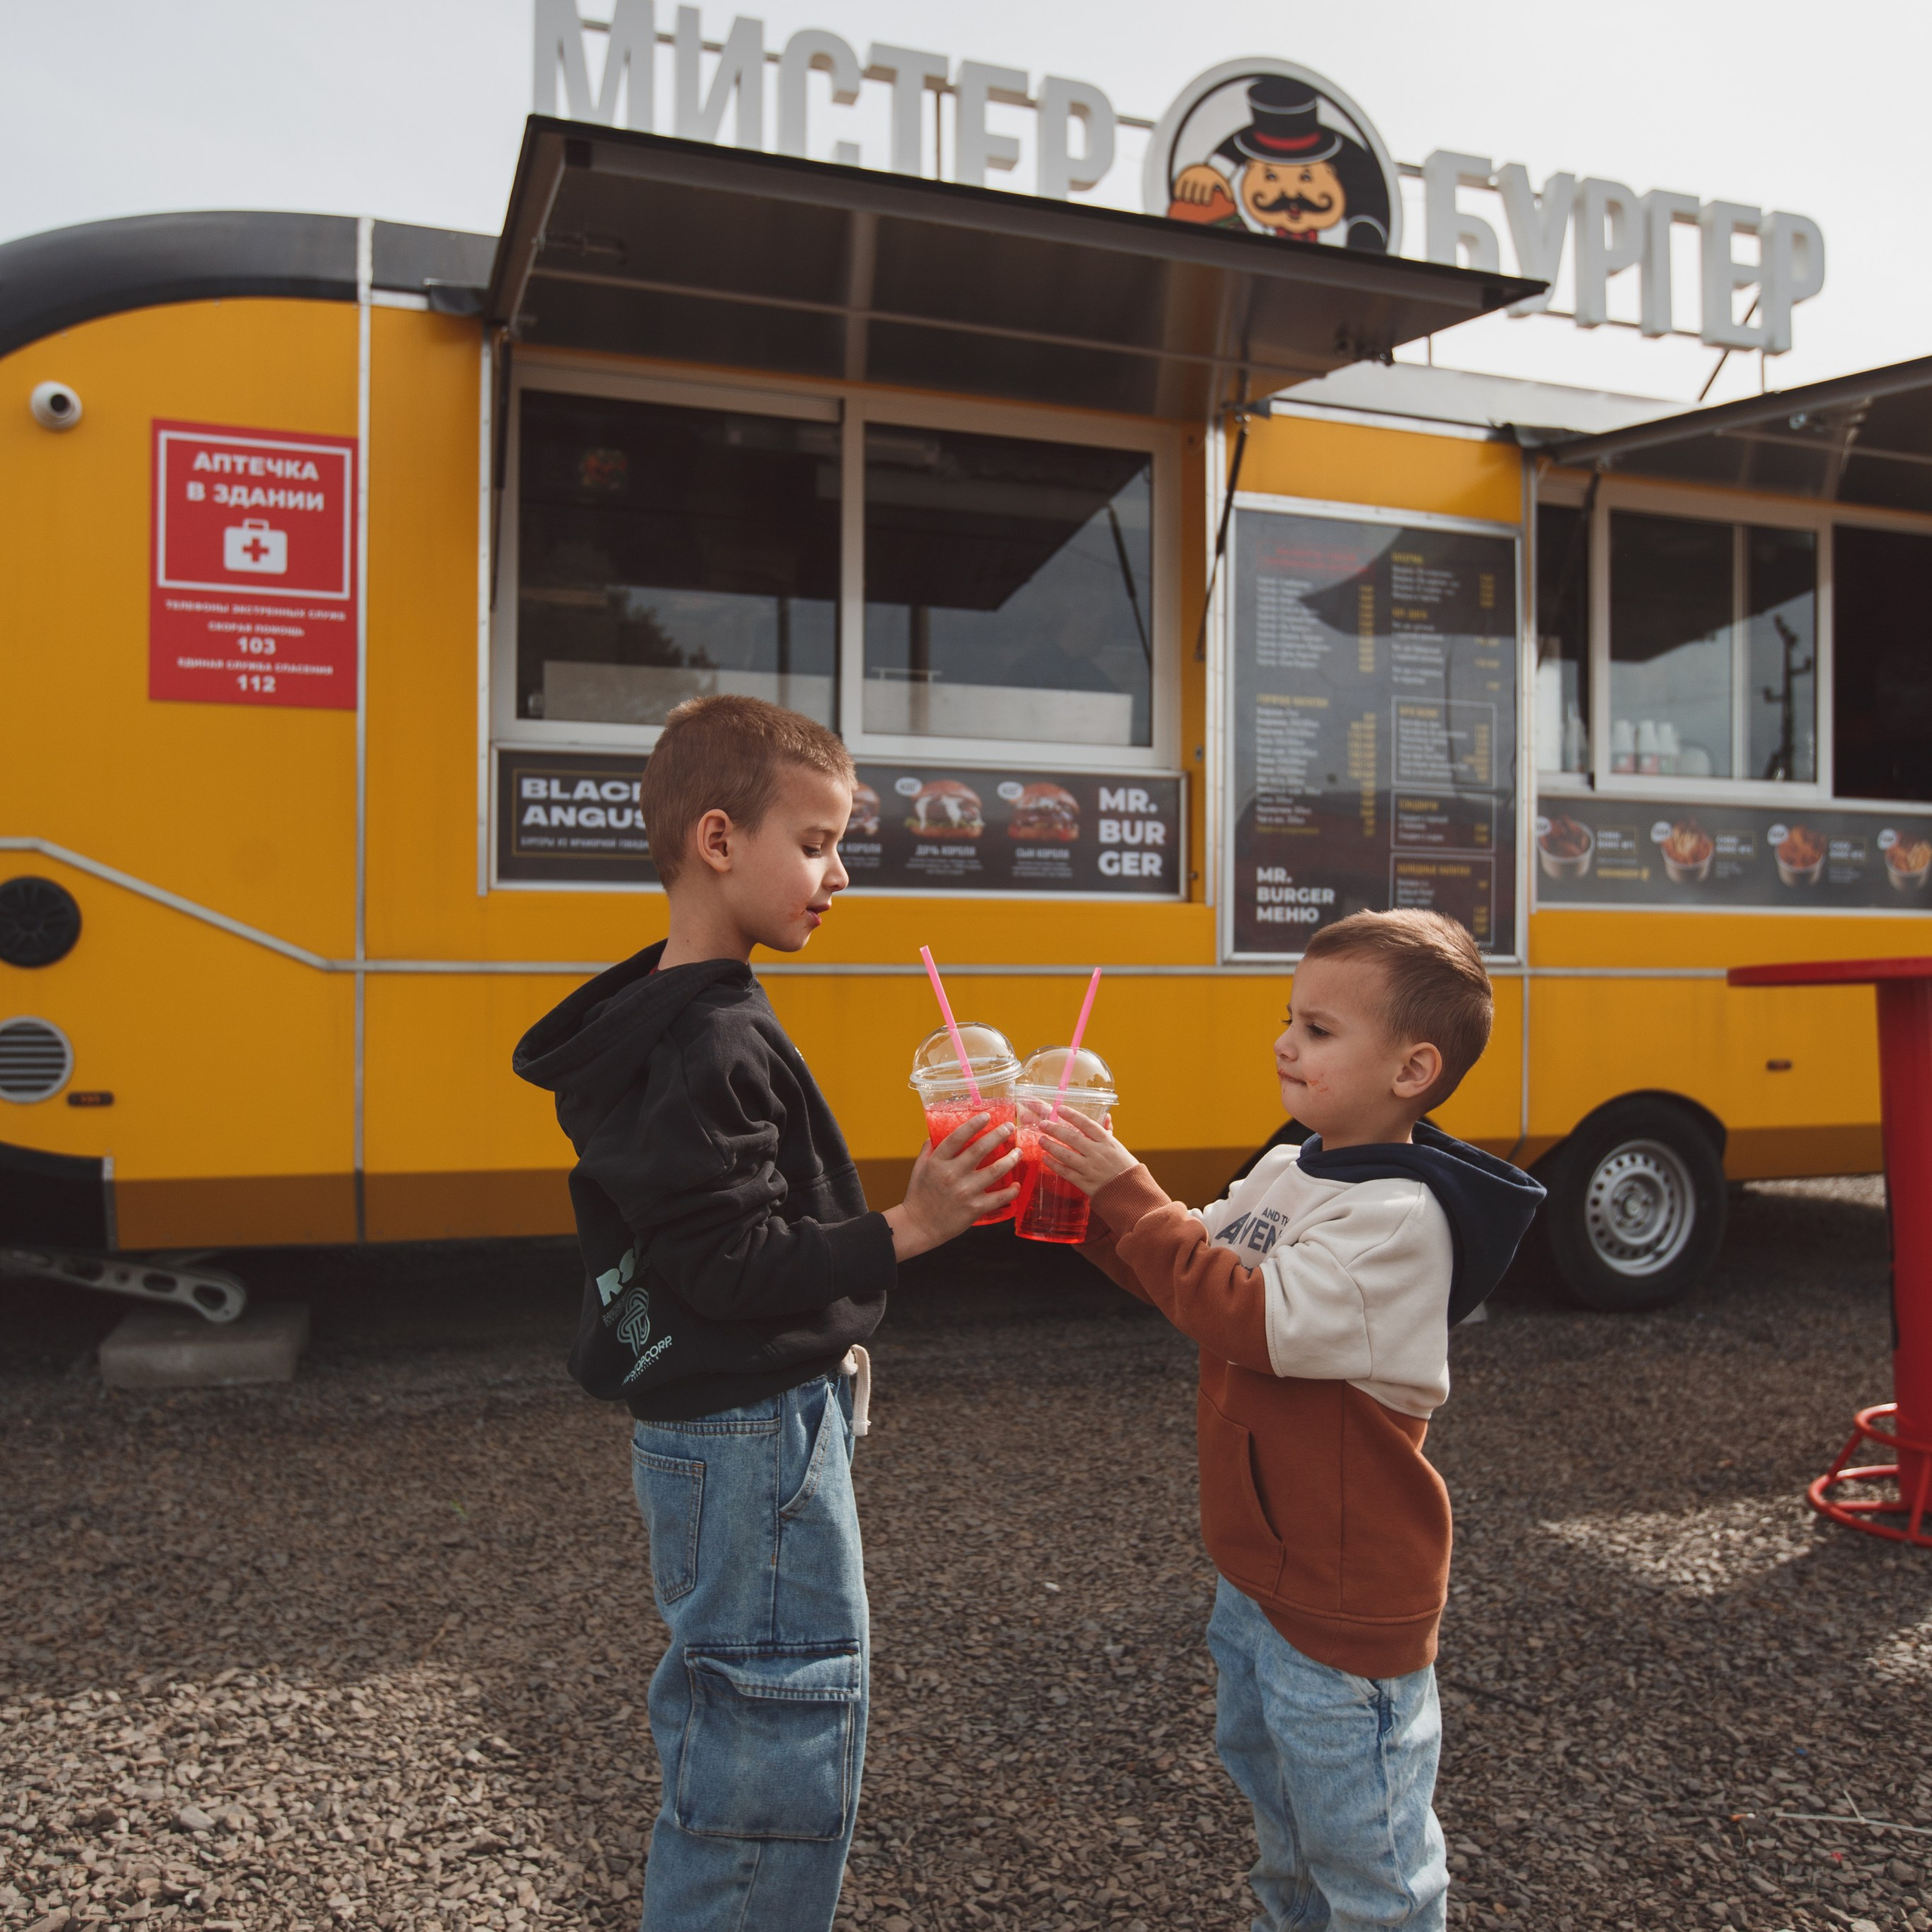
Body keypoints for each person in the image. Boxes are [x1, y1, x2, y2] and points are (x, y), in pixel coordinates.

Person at [513, 695, 1020, 1932]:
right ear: (720, 840)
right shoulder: (712, 1038)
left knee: (742, 1724)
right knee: (772, 1751)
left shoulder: (666, 1013)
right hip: (752, 1437)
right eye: (818, 842)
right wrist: (912, 1224)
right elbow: (725, 1266)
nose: (838, 875)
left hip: (718, 1431)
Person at [1038, 909, 1543, 1932]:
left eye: (1319, 1029)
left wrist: (1125, 1192)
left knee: (1373, 1871)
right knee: (1290, 1846)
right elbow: (1187, 1271)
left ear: (1412, 1071)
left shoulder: (1399, 1220)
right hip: (1260, 1577)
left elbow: (1249, 1318)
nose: (1285, 1042)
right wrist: (1076, 1206)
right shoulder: (1293, 1168)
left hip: (1344, 1594)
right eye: (1290, 1019)